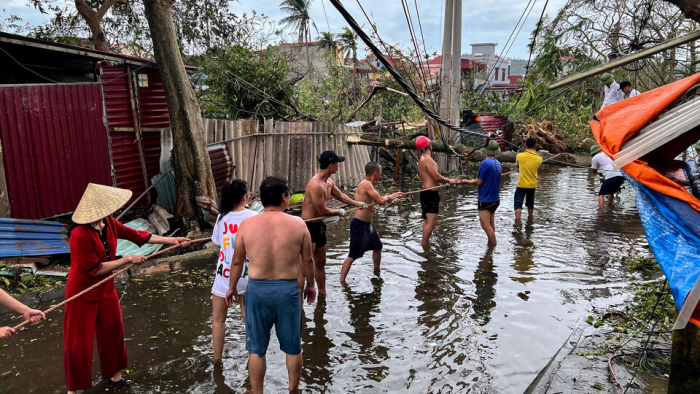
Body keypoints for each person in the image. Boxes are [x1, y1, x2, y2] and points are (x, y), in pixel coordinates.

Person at [65, 183, 191, 394]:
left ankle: (116, 377)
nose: (112, 210)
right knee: (79, 342)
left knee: (113, 331)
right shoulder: (79, 235)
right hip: (82, 292)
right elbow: (95, 269)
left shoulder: (109, 223)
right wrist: (127, 259)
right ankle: (74, 389)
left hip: (106, 289)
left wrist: (173, 241)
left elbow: (140, 236)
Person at [225, 176, 316, 394]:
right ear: (285, 198)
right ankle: (293, 389)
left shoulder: (247, 225)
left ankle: (258, 392)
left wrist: (231, 287)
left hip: (257, 291)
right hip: (288, 291)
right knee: (293, 347)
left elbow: (237, 261)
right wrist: (310, 285)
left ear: (264, 199)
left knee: (256, 350)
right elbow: (308, 260)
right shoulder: (298, 224)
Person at [300, 150, 365, 296]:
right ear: (331, 166)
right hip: (308, 226)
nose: (339, 166)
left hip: (319, 227)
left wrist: (357, 203)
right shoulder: (315, 185)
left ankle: (322, 294)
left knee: (321, 262)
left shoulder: (329, 182)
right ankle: (300, 304)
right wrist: (338, 212)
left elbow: (341, 195)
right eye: (337, 163)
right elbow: (322, 210)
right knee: (304, 267)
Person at [211, 179, 257, 363]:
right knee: (249, 318)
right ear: (245, 197)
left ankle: (217, 359)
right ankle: (253, 357)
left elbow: (218, 242)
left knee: (218, 320)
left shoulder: (221, 218)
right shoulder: (255, 216)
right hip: (248, 273)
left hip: (225, 274)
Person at [339, 162, 404, 283]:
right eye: (380, 172)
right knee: (352, 255)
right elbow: (380, 201)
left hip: (367, 224)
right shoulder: (367, 184)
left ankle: (376, 272)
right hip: (360, 224)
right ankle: (342, 282)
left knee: (377, 246)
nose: (381, 174)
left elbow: (380, 199)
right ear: (376, 173)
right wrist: (391, 196)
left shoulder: (367, 184)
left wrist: (393, 195)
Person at [416, 136, 459, 248]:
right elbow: (437, 177)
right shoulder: (428, 160)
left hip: (425, 193)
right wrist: (450, 180)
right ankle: (425, 244)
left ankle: (424, 244)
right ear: (429, 146)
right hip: (430, 194)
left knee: (427, 220)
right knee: (432, 221)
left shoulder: (422, 159)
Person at [463, 140, 503, 245]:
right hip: (495, 199)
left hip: (485, 199)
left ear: (486, 150)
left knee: (485, 225)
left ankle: (492, 247)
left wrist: (466, 181)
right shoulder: (498, 164)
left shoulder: (484, 163)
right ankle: (490, 244)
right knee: (491, 223)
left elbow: (478, 181)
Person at [514, 138, 543, 221]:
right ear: (535, 146)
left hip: (521, 185)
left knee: (518, 203)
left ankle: (518, 221)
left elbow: (518, 167)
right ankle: (530, 218)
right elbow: (538, 168)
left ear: (525, 145)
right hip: (532, 185)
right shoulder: (539, 158)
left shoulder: (519, 156)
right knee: (530, 203)